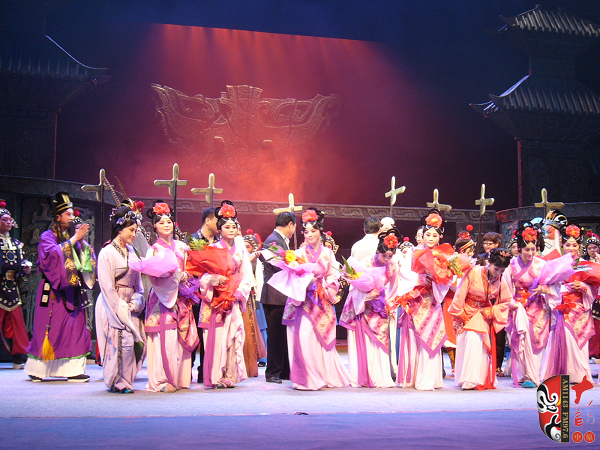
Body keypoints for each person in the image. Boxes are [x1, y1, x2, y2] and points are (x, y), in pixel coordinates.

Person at [25, 192, 96, 382]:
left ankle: (73, 370)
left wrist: (82, 243)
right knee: (49, 329)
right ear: (58, 217)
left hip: (72, 291)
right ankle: (38, 369)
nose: (72, 218)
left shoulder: (74, 237)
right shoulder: (47, 236)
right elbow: (51, 257)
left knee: (74, 328)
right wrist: (73, 240)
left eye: (73, 214)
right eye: (68, 214)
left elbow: (85, 259)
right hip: (53, 291)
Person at [282, 208, 350, 390]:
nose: (310, 234)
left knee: (320, 338)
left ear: (320, 231)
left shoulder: (328, 253)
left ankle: (323, 375)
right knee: (304, 337)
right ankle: (307, 378)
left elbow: (333, 275)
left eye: (313, 231)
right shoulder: (298, 254)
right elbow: (293, 276)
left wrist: (326, 288)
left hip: (321, 300)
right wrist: (306, 281)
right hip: (303, 301)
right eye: (306, 231)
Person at [145, 201, 199, 392]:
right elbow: (153, 276)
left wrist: (187, 275)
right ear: (155, 226)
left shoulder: (183, 247)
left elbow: (192, 269)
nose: (166, 225)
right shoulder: (153, 250)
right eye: (161, 222)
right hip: (162, 297)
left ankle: (181, 378)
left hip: (182, 297)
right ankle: (163, 379)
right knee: (165, 337)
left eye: (168, 221)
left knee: (181, 336)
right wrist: (173, 277)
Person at [198, 201, 252, 389]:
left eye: (234, 226)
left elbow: (247, 276)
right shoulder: (212, 248)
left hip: (233, 298)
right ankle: (216, 376)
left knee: (233, 336)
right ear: (219, 230)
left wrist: (240, 291)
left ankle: (230, 374)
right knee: (218, 337)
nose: (231, 230)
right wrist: (212, 280)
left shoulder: (241, 251)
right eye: (227, 227)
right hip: (216, 299)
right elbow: (202, 276)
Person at [340, 228, 401, 387]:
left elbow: (395, 289)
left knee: (381, 341)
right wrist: (366, 296)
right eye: (384, 255)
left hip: (380, 307)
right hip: (364, 306)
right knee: (366, 343)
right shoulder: (366, 263)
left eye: (390, 256)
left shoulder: (393, 266)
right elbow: (354, 286)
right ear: (378, 251)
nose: (387, 259)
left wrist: (390, 304)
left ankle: (380, 377)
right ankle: (365, 376)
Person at [396, 209, 449, 390]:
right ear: (422, 235)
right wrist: (420, 279)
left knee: (431, 336)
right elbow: (404, 273)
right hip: (415, 301)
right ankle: (412, 378)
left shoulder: (443, 255)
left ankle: (429, 379)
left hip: (432, 301)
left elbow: (448, 280)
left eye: (435, 235)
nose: (431, 238)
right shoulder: (412, 252)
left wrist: (437, 279)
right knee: (413, 338)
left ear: (439, 237)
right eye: (428, 234)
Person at [96, 205, 145, 393]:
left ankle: (127, 380)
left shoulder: (133, 252)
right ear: (120, 228)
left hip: (131, 302)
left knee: (135, 343)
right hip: (113, 302)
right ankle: (116, 381)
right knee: (121, 341)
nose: (134, 234)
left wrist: (137, 300)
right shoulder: (107, 252)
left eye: (135, 230)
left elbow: (139, 283)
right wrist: (119, 306)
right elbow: (107, 286)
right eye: (131, 230)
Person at [541, 220, 598, 384]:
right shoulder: (556, 264)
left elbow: (593, 289)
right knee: (562, 337)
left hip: (579, 308)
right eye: (567, 245)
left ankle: (578, 375)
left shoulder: (586, 265)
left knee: (577, 341)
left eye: (574, 245)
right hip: (561, 306)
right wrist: (562, 289)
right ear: (562, 245)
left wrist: (584, 286)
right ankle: (561, 373)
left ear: (579, 246)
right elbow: (549, 286)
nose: (571, 249)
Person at [449, 248, 512, 389]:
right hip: (466, 311)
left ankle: (473, 380)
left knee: (475, 342)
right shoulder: (473, 272)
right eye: (496, 269)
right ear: (489, 262)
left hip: (482, 315)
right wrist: (460, 314)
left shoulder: (501, 280)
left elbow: (507, 300)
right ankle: (465, 378)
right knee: (465, 344)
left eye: (502, 270)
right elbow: (460, 293)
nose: (498, 273)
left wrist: (491, 310)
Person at [503, 223, 553, 388]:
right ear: (519, 249)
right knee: (521, 339)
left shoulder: (542, 264)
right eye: (527, 250)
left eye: (533, 249)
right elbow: (505, 288)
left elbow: (552, 286)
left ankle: (533, 375)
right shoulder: (511, 265)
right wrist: (512, 304)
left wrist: (543, 289)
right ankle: (523, 375)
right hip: (519, 307)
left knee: (536, 339)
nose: (531, 253)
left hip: (538, 307)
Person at [259, 212, 296, 384]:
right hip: (274, 296)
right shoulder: (273, 240)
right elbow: (278, 266)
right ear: (290, 224)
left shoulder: (278, 240)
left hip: (280, 295)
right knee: (275, 336)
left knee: (282, 335)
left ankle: (283, 371)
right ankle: (273, 372)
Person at [0, 202, 32, 369]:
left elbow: (21, 261)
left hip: (13, 288)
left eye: (10, 220)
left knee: (17, 323)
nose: (8, 222)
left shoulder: (17, 244)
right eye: (4, 219)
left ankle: (19, 354)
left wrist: (25, 269)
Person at [189, 207, 218, 384]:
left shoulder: (220, 242)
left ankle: (205, 371)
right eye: (216, 220)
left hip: (213, 295)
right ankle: (187, 370)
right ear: (208, 220)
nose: (219, 224)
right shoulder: (192, 240)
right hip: (195, 294)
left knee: (209, 334)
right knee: (193, 332)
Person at [241, 230, 267, 377]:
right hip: (244, 297)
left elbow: (259, 281)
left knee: (260, 327)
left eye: (248, 246)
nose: (246, 249)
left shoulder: (257, 262)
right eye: (244, 246)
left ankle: (262, 357)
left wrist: (258, 296)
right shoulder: (241, 259)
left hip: (255, 296)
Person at [584, 233, 600, 360]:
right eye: (590, 248)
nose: (592, 250)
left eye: (595, 247)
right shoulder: (585, 264)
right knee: (593, 325)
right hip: (591, 297)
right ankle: (592, 352)